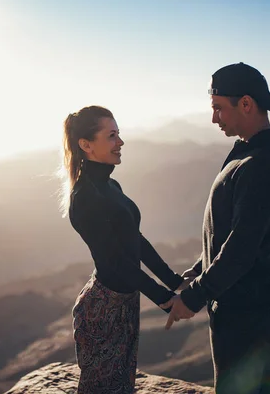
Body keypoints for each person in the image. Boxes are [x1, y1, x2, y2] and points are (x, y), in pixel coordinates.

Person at [161, 62, 270, 394]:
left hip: (247, 303)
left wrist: (196, 295)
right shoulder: (251, 154)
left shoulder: (262, 165)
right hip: (244, 297)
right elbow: (231, 229)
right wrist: (200, 269)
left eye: (218, 108)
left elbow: (243, 247)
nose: (214, 118)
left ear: (246, 103)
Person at [60, 105, 188, 393]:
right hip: (103, 309)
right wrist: (167, 300)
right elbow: (118, 263)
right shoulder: (85, 198)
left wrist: (174, 282)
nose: (121, 142)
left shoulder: (111, 186)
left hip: (125, 301)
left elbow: (136, 241)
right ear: (86, 145)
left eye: (119, 134)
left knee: (122, 385)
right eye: (112, 135)